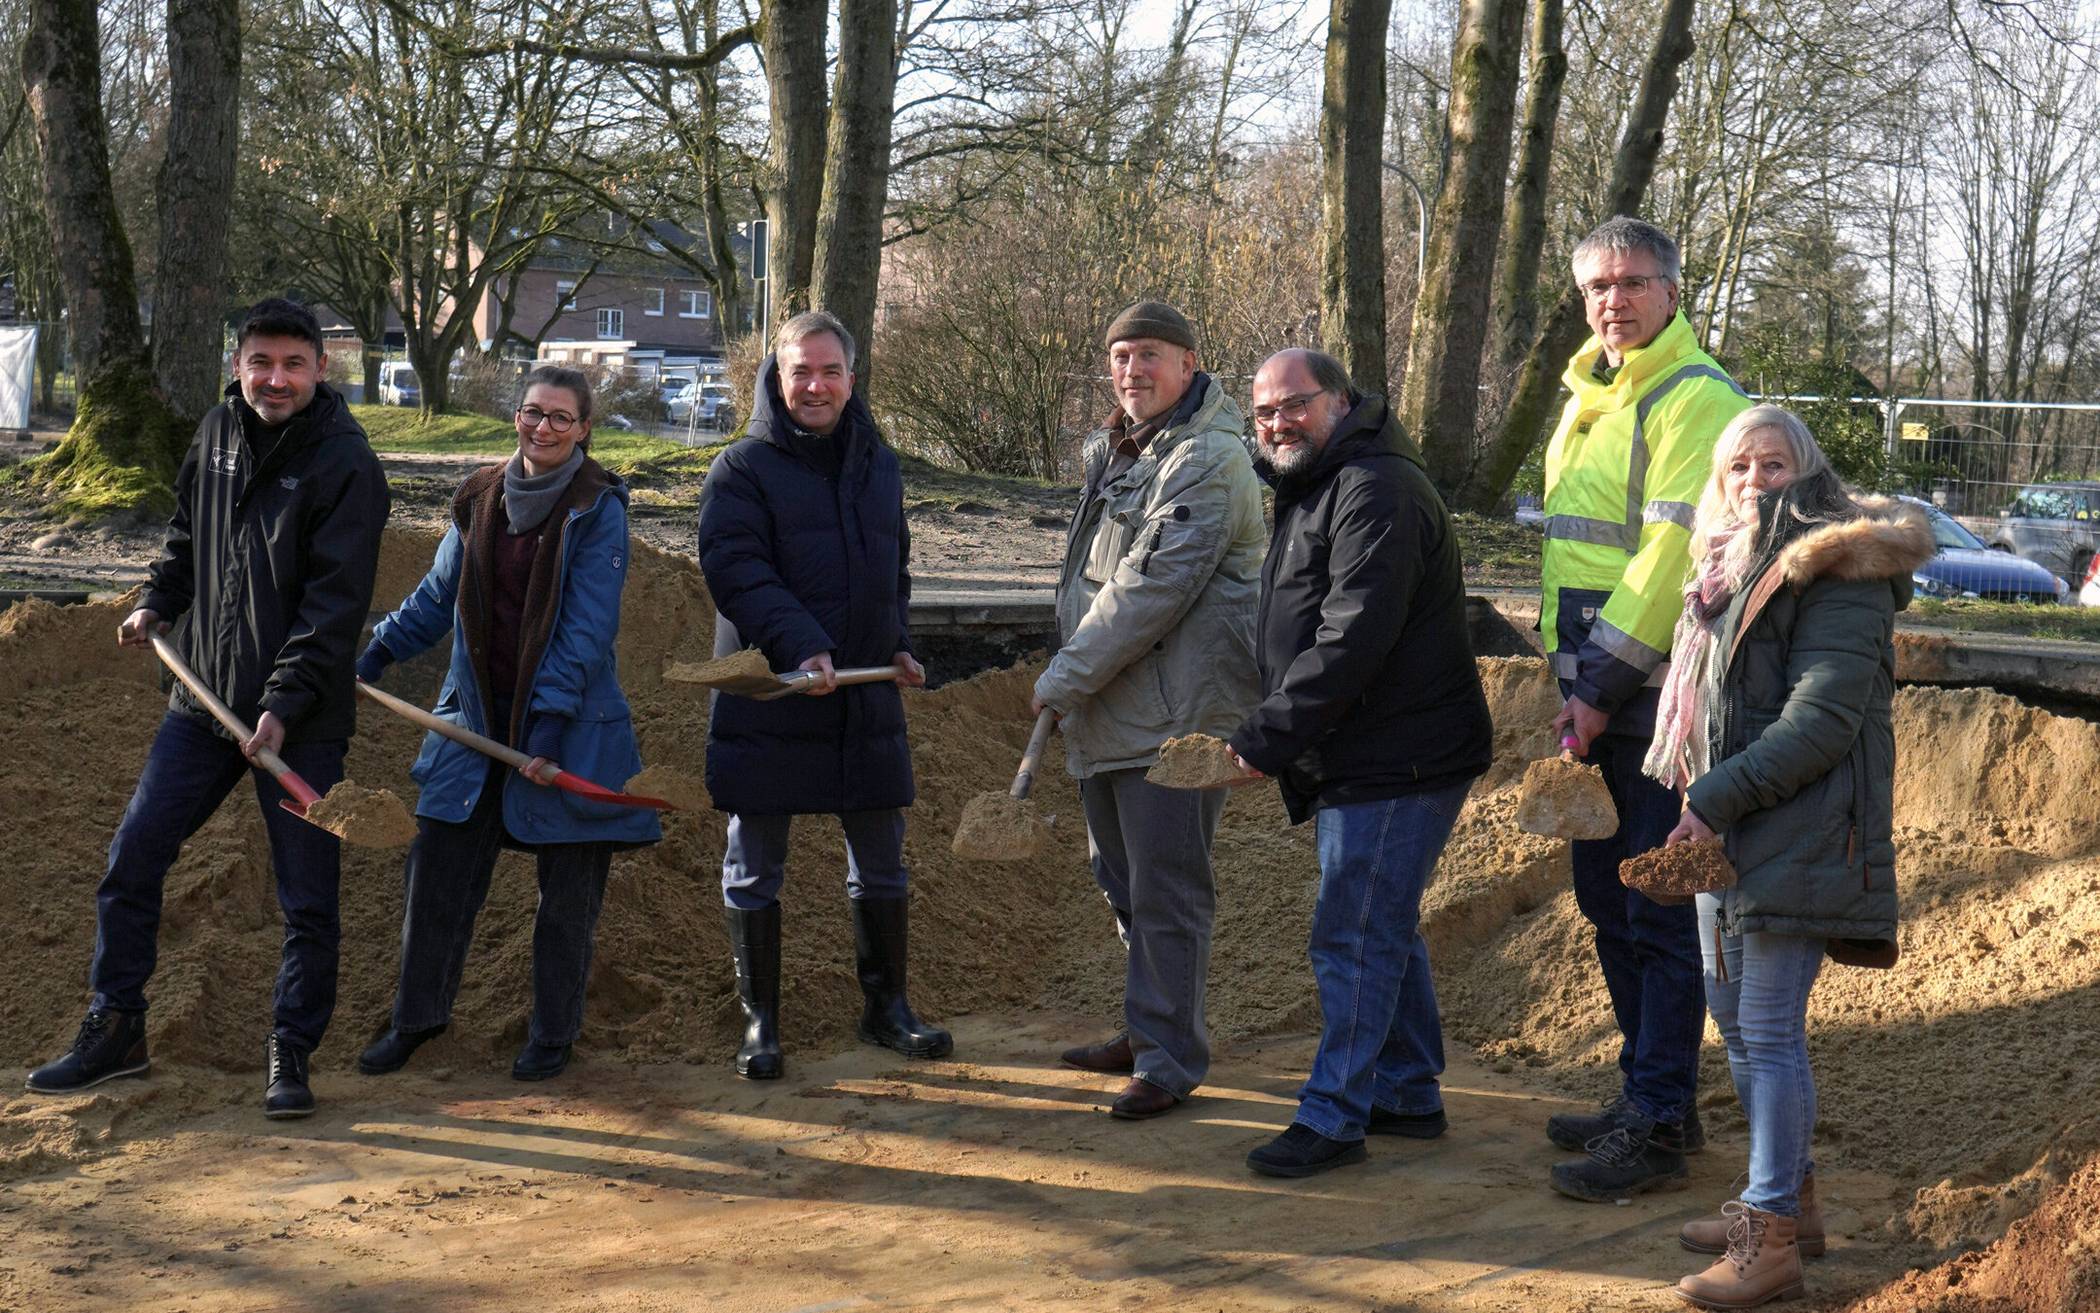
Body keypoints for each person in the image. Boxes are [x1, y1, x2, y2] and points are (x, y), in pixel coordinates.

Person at [25, 298, 390, 1117]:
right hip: (202, 706)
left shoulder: (346, 465)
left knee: (307, 899)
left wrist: (284, 705)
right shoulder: (217, 434)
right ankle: (117, 1028)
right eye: (261, 362)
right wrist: (158, 598)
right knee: (133, 860)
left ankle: (289, 1053)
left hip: (298, 724)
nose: (276, 379)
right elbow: (189, 537)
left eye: (294, 364)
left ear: (320, 370)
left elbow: (333, 608)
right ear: (238, 363)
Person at [1647, 407, 1927, 1309]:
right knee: (1733, 1014)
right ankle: (1790, 1201)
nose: (1756, 479)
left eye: (1775, 463)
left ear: (1807, 475)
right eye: (1739, 464)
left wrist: (1713, 798)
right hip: (1730, 825)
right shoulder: (1728, 571)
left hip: (1798, 826)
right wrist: (1708, 801)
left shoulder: (1838, 571)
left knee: (1766, 1029)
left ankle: (1764, 1240)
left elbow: (1821, 720)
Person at [1219, 349, 1493, 1177]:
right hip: (1366, 748)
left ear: (1340, 400)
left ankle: (1335, 1114)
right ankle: (1406, 1087)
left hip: (1401, 756)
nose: (1276, 425)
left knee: (1353, 928)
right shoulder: (1318, 486)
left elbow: (1352, 638)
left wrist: (1266, 737)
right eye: (1263, 414)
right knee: (1382, 920)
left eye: (1293, 406)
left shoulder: (1376, 488)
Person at [353, 365, 659, 1083]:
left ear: (584, 428)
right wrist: (380, 649)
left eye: (560, 417)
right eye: (532, 412)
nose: (543, 428)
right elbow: (438, 594)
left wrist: (548, 728)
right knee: (437, 872)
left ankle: (553, 1034)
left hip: (571, 728)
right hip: (475, 724)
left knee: (568, 898)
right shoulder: (479, 496)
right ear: (515, 417)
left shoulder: (598, 508)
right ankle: (416, 1019)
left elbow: (586, 630)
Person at [1540, 217, 1752, 1201]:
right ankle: (1648, 1092)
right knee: (1605, 903)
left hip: (1653, 696)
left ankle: (1660, 1122)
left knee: (1654, 907)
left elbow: (1666, 561)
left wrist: (1592, 689)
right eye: (1596, 287)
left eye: (1631, 283)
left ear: (1673, 291)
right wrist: (1563, 673)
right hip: (1592, 684)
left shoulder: (1694, 397)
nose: (1612, 300)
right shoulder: (1589, 394)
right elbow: (1571, 554)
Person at [697, 310, 945, 1081]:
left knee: (882, 862)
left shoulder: (881, 463)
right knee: (755, 863)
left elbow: (892, 565)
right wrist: (803, 643)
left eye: (830, 371)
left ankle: (886, 1007)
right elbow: (736, 569)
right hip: (773, 691)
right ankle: (760, 1022)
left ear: (851, 377)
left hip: (862, 695)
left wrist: (897, 637)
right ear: (777, 376)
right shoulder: (740, 469)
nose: (815, 385)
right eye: (800, 370)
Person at [1032, 300, 1264, 1120]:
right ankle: (1147, 1026)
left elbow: (1150, 590)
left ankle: (1169, 1058)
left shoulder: (1209, 460)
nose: (1133, 371)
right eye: (1122, 356)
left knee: (1167, 889)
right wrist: (1079, 680)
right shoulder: (1116, 451)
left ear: (1190, 366)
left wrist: (1065, 674)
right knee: (1121, 880)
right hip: (1111, 704)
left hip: (1177, 719)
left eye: (1151, 355)